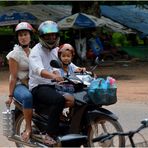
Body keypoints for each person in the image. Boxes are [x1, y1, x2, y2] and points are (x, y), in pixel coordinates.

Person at [28, 20, 65, 146]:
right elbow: (40, 71)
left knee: (74, 95)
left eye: (53, 35)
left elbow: (56, 67)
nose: (51, 38)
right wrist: (54, 76)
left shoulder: (54, 50)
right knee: (59, 100)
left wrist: (60, 76)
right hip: (38, 87)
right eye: (48, 36)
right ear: (42, 37)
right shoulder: (35, 51)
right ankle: (49, 134)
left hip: (51, 85)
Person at [5, 22, 34, 142]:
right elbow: (13, 77)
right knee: (27, 97)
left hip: (31, 83)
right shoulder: (14, 54)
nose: (23, 37)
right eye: (20, 35)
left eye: (25, 34)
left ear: (30, 36)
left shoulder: (33, 52)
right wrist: (10, 96)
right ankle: (28, 127)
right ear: (17, 38)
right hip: (19, 85)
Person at [53, 43, 86, 107]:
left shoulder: (70, 65)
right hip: (60, 90)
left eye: (68, 56)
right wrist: (58, 77)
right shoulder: (57, 66)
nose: (66, 58)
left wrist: (83, 70)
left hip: (71, 89)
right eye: (64, 56)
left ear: (71, 57)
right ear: (60, 57)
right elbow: (55, 72)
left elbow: (77, 69)